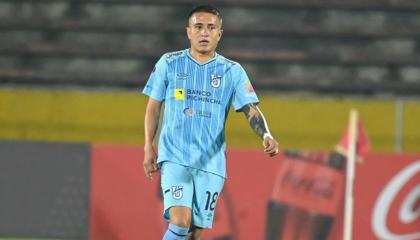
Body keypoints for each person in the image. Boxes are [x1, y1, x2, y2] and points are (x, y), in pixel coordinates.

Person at [142, 5, 279, 240]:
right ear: (188, 32)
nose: (204, 33)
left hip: (211, 164)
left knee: (194, 232)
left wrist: (266, 135)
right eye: (198, 27)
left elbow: (250, 109)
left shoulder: (232, 71)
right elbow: (153, 107)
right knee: (180, 221)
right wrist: (148, 146)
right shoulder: (169, 63)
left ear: (219, 34)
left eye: (211, 28)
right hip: (175, 157)